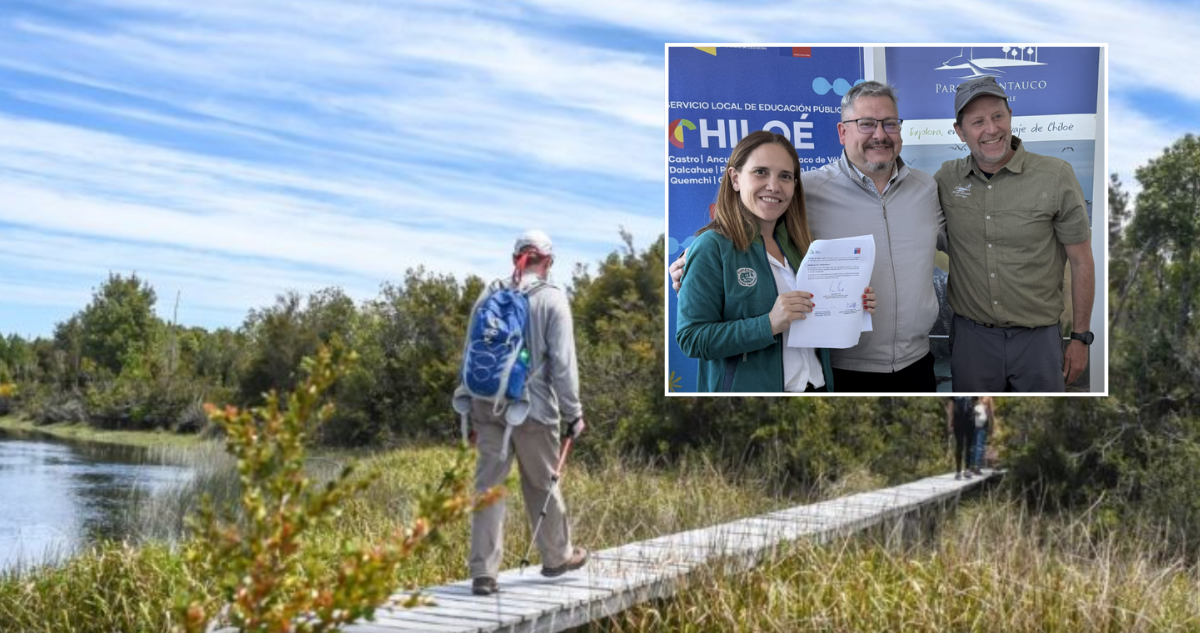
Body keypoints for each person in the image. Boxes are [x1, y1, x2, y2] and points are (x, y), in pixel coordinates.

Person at [672, 81, 944, 392]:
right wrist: (689, 263)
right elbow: (733, 235)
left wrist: (851, 299)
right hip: (842, 372)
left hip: (913, 365)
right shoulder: (809, 190)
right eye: (866, 123)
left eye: (890, 123)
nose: (880, 134)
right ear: (842, 132)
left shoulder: (927, 188)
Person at [675, 130, 876, 392]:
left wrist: (852, 306)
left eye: (785, 176)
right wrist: (767, 325)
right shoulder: (711, 247)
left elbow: (816, 318)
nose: (774, 186)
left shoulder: (802, 246)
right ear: (735, 179)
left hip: (817, 389)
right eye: (760, 172)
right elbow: (691, 338)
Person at [935, 76, 1096, 392]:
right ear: (960, 131)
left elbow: (1082, 262)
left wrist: (1080, 338)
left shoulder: (1056, 175)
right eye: (977, 122)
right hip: (972, 342)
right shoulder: (946, 179)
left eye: (998, 116)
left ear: (1010, 117)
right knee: (974, 422)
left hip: (1039, 342)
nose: (991, 129)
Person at [453, 230, 588, 596]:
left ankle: (483, 573)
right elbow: (563, 364)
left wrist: (467, 402)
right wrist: (574, 413)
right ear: (548, 261)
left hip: (487, 404)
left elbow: (469, 352)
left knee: (488, 488)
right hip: (534, 408)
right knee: (541, 482)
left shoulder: (489, 292)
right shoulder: (552, 298)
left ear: (516, 257)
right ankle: (557, 557)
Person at [946, 396, 975, 480]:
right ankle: (958, 471)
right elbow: (950, 408)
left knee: (969, 446)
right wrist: (949, 423)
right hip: (958, 422)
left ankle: (967, 469)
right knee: (960, 445)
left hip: (969, 422)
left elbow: (975, 404)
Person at [971, 394, 996, 475]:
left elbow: (970, 409)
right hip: (982, 424)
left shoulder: (973, 397)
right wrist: (992, 426)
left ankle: (971, 466)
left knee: (973, 445)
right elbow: (991, 412)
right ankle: (976, 466)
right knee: (979, 446)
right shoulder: (988, 397)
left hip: (973, 423)